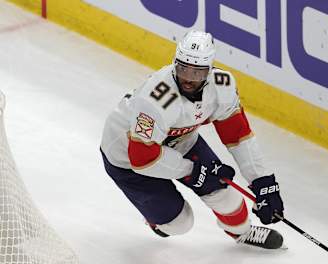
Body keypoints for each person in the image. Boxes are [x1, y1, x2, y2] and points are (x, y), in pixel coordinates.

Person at [100, 30, 285, 249]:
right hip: (127, 159)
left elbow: (237, 134)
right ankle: (157, 221)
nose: (188, 78)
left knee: (227, 198)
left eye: (196, 73)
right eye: (183, 69)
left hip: (179, 141)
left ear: (209, 70)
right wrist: (193, 171)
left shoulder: (222, 85)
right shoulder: (155, 101)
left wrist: (263, 181)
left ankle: (242, 233)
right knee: (180, 224)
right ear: (174, 63)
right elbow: (142, 158)